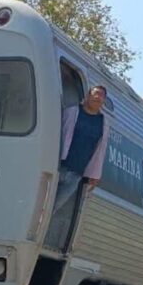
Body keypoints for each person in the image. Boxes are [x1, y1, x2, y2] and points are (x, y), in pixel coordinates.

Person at [53, 85, 111, 216]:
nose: (98, 97)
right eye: (95, 93)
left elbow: (100, 150)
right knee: (41, 203)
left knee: (54, 207)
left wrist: (95, 175)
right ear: (88, 95)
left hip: (76, 174)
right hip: (58, 166)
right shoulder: (72, 112)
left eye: (101, 96)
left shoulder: (103, 123)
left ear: (104, 101)